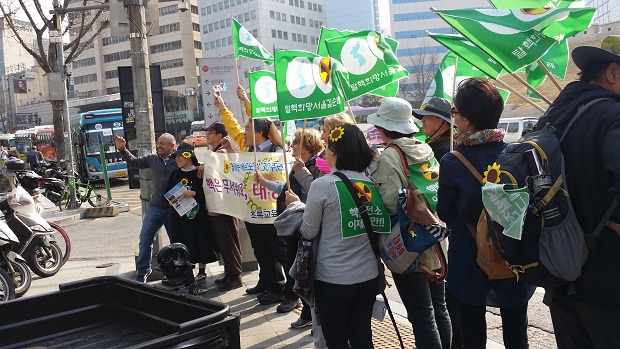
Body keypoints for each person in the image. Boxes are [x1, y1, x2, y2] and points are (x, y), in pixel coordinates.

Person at [437, 78, 535, 349]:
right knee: (517, 335)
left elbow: (445, 211)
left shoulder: (453, 161)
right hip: (513, 256)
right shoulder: (515, 153)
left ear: (467, 120)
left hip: (469, 259)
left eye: (455, 113)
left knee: (471, 335)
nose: (454, 119)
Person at [536, 36, 620, 348]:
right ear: (612, 73)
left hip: (560, 274)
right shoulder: (613, 116)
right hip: (609, 286)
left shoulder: (554, 114)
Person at [285, 124, 381, 348]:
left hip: (333, 279)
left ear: (335, 152)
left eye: (327, 146)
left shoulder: (323, 185)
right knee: (362, 337)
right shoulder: (371, 183)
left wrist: (298, 206)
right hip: (368, 276)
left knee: (335, 340)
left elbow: (308, 231)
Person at [369, 97, 452, 349]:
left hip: (410, 243)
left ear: (383, 129)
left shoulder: (390, 156)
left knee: (422, 317)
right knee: (440, 309)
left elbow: (392, 205)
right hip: (435, 237)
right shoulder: (425, 149)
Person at [216, 90, 289, 306]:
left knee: (279, 252)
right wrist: (230, 151)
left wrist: (247, 101)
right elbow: (240, 171)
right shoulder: (250, 150)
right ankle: (267, 282)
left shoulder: (276, 151)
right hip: (253, 209)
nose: (244, 132)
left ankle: (288, 290)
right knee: (260, 249)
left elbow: (281, 183)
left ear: (260, 133)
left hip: (272, 211)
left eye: (248, 129)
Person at [255, 128, 324, 325]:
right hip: (294, 223)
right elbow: (285, 190)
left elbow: (316, 196)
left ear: (306, 146)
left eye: (295, 142)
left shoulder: (316, 166)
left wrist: (297, 201)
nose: (292, 145)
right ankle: (306, 312)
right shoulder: (298, 166)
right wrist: (265, 182)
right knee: (297, 265)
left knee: (303, 268)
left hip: (305, 223)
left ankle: (308, 311)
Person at [413, 97, 464, 349]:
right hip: (446, 234)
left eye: (427, 116)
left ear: (443, 122)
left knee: (445, 303)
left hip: (444, 234)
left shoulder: (442, 152)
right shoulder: (435, 148)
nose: (422, 120)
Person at [115, 133, 178, 283]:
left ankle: (177, 273)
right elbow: (135, 163)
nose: (159, 145)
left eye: (163, 143)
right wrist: (123, 149)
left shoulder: (178, 159)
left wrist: (201, 166)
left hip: (173, 208)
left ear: (172, 146)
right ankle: (142, 274)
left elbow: (192, 166)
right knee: (145, 240)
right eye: (158, 143)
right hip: (155, 208)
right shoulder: (153, 159)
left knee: (176, 242)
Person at [165, 143, 219, 284]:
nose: (177, 160)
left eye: (180, 156)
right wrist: (170, 200)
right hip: (179, 216)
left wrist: (195, 193)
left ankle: (202, 271)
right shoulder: (175, 174)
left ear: (189, 156)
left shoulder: (200, 172)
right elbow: (167, 193)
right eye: (175, 157)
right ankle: (186, 271)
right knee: (182, 244)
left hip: (198, 217)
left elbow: (210, 191)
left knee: (200, 242)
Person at [203, 121, 244, 292]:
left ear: (220, 135)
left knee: (228, 240)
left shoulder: (221, 152)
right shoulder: (217, 151)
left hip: (225, 205)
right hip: (218, 205)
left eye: (211, 132)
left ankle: (235, 276)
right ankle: (229, 272)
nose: (207, 135)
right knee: (223, 240)